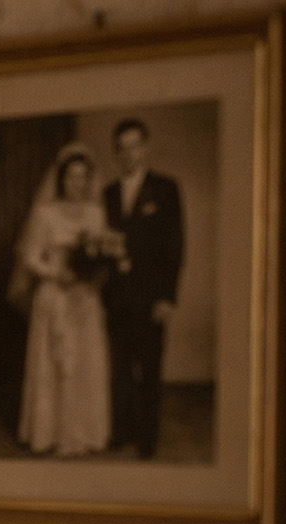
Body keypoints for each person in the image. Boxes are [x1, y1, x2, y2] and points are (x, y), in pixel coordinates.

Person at [13, 142, 114, 455]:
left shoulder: (97, 214)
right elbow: (30, 257)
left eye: (83, 177)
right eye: (71, 177)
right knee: (54, 363)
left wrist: (91, 275)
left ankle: (86, 434)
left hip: (85, 299)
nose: (77, 183)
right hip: (55, 295)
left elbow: (103, 254)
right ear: (61, 179)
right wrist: (56, 274)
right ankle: (50, 433)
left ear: (89, 180)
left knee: (86, 362)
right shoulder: (45, 213)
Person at [101, 118, 184, 459]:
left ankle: (147, 438)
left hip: (151, 297)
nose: (129, 153)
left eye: (135, 145)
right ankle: (122, 431)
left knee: (149, 370)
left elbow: (175, 245)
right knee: (119, 369)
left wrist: (167, 297)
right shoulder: (106, 193)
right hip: (116, 296)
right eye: (122, 147)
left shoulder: (166, 188)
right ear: (116, 152)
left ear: (146, 148)